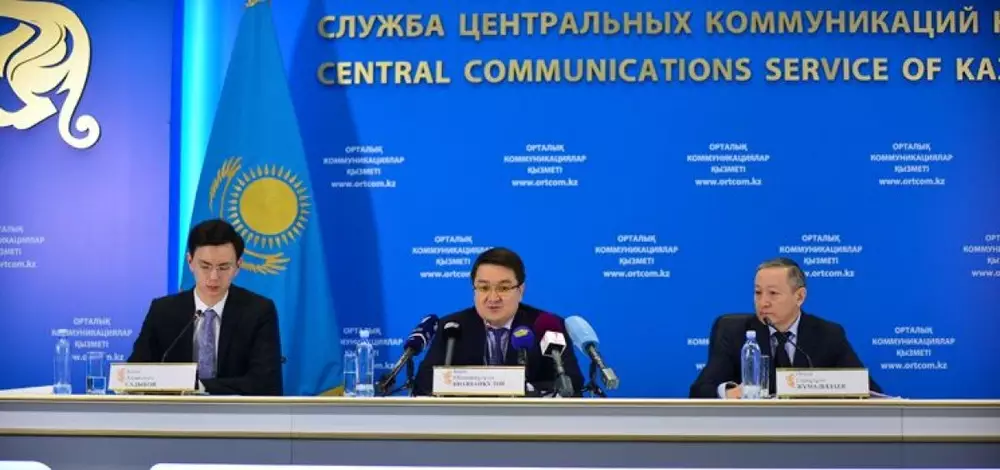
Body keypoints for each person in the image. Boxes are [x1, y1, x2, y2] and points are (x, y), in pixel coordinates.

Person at [128, 219, 283, 396]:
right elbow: (136, 374)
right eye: (205, 266)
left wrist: (198, 387)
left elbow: (265, 383)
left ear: (238, 266)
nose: (214, 276)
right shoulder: (163, 311)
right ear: (190, 262)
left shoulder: (258, 311)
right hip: (173, 412)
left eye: (223, 267)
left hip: (236, 412)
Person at [690, 257, 882, 398]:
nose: (763, 302)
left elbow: (868, 390)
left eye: (773, 293)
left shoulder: (828, 335)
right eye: (758, 293)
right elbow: (700, 390)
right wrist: (729, 393)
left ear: (799, 297)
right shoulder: (734, 332)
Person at [413, 247, 585, 397]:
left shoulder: (547, 326)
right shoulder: (451, 327)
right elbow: (424, 383)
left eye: (503, 288)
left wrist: (522, 389)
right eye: (484, 288)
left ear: (521, 290)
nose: (493, 298)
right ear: (474, 290)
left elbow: (572, 384)